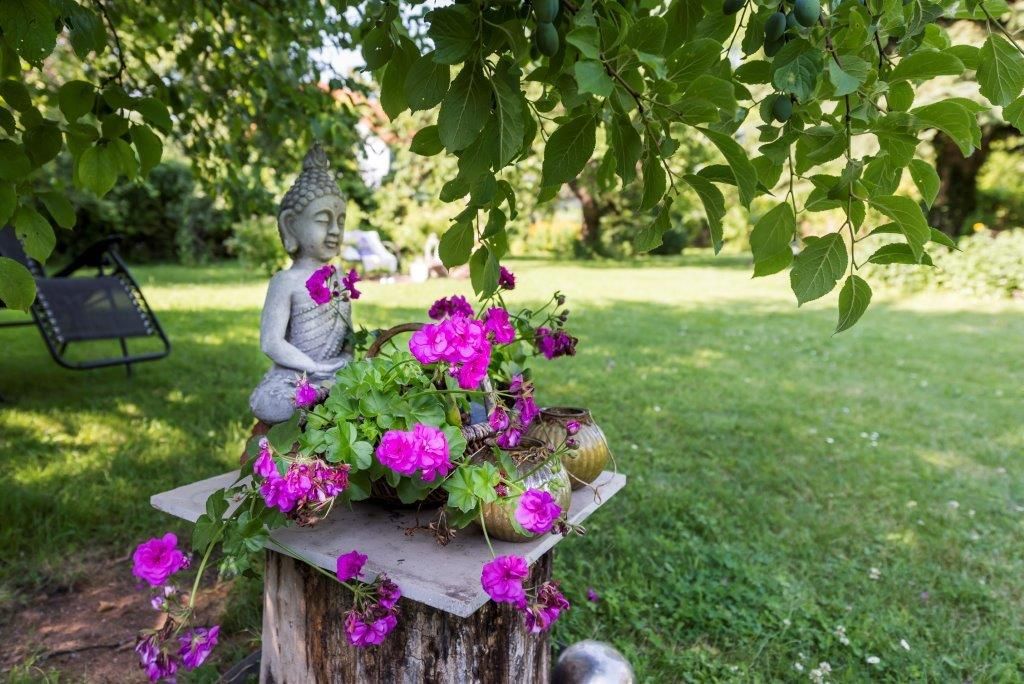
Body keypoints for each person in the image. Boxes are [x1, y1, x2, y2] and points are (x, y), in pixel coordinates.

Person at [249, 144, 353, 424]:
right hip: (293, 376)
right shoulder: (286, 281)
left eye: (340, 222)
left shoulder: (338, 277)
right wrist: (314, 367)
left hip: (334, 372)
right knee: (275, 403)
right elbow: (271, 342)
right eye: (323, 220)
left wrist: (347, 362)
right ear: (291, 224)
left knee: (366, 389)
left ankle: (326, 405)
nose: (334, 231)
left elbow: (347, 340)